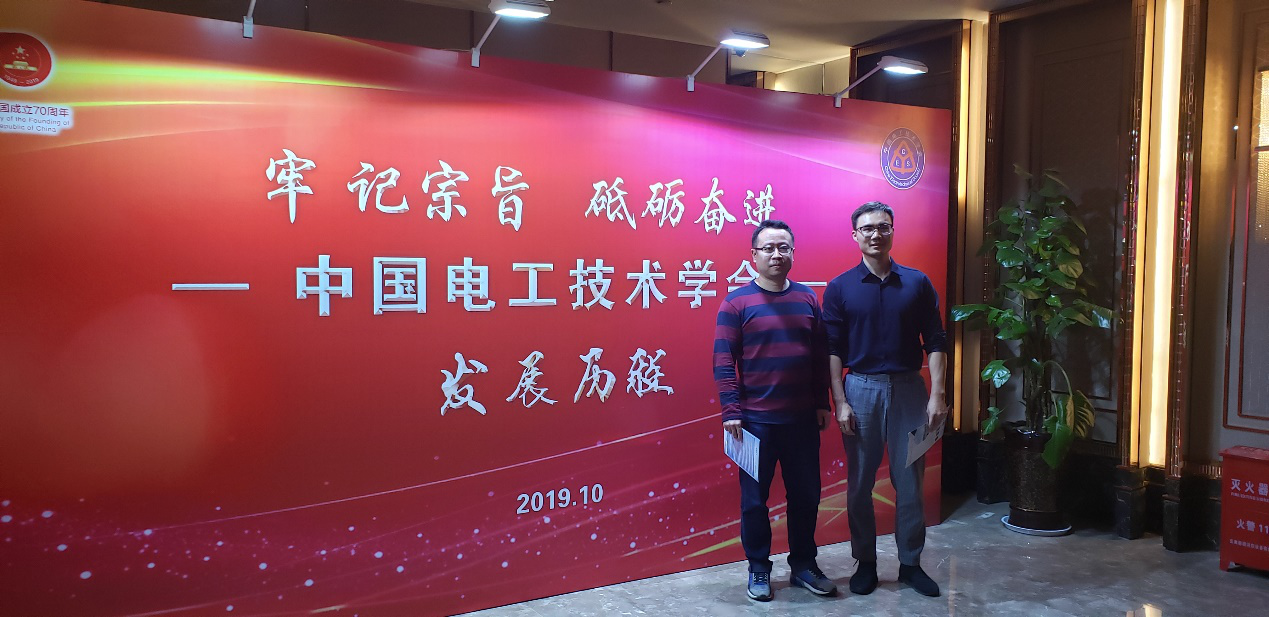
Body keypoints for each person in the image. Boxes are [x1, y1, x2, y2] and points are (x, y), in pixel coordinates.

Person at [822, 202, 948, 598]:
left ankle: (910, 564)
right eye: (867, 228)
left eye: (883, 227)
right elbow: (832, 349)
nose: (876, 234)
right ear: (855, 235)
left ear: (892, 231)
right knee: (860, 482)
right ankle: (866, 563)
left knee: (910, 481)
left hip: (910, 390)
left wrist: (938, 395)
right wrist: (840, 401)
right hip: (860, 389)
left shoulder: (917, 283)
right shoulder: (840, 287)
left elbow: (936, 341)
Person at [712, 219, 837, 602]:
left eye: (784, 247)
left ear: (793, 253)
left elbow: (819, 356)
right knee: (754, 502)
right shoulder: (736, 303)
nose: (776, 255)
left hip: (801, 421)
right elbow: (723, 361)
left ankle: (803, 566)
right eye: (768, 248)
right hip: (753, 424)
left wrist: (822, 402)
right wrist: (731, 411)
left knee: (806, 497)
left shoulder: (807, 298)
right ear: (754, 255)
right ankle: (758, 568)